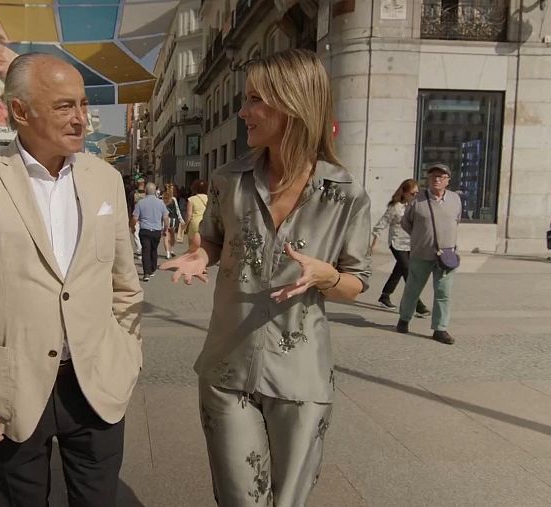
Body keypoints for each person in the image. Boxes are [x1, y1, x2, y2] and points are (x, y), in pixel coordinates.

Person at [161, 49, 371, 506]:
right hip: (226, 367)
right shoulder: (228, 180)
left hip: (301, 377)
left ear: (293, 103)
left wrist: (325, 275)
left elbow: (356, 282)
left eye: (255, 99)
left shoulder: (344, 193)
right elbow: (214, 240)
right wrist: (201, 257)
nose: (242, 112)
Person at [0, 53, 143, 507]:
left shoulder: (105, 178)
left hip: (95, 384)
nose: (81, 120)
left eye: (83, 105)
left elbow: (125, 282)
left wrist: (126, 356)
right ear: (21, 111)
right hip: (12, 384)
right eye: (64, 106)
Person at [396, 163, 462, 345]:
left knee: (443, 293)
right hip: (421, 253)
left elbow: (457, 221)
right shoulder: (418, 200)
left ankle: (440, 329)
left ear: (448, 180)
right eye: (433, 176)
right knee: (412, 289)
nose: (436, 179)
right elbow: (406, 223)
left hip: (446, 255)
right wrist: (420, 237)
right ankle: (404, 319)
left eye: (441, 176)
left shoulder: (455, 199)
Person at [371, 179, 429, 316]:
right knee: (408, 272)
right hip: (396, 243)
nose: (415, 195)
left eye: (417, 193)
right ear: (404, 192)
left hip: (410, 244)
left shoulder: (414, 206)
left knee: (399, 271)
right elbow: (382, 224)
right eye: (412, 193)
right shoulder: (395, 207)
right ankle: (418, 305)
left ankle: (385, 296)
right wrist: (374, 243)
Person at [132, 182, 170, 282]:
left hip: (144, 230)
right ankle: (153, 269)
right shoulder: (161, 203)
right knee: (154, 249)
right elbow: (166, 218)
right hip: (156, 230)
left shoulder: (140, 203)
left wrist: (132, 227)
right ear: (155, 192)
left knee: (146, 250)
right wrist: (165, 229)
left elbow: (134, 217)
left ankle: (146, 273)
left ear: (145, 191)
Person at [184, 179, 209, 253]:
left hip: (195, 223)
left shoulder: (191, 199)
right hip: (205, 223)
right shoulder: (209, 198)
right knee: (203, 246)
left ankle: (193, 260)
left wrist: (185, 226)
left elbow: (189, 214)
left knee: (192, 247)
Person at [162, 183, 184, 259]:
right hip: (173, 219)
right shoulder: (173, 199)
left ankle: (167, 252)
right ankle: (171, 249)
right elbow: (177, 210)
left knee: (165, 235)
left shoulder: (162, 198)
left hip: (164, 219)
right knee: (172, 235)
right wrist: (181, 219)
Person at [131, 178, 145, 255]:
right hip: (144, 216)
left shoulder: (133, 193)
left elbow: (131, 205)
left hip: (136, 215)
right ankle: (141, 249)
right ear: (143, 183)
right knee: (142, 233)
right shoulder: (147, 193)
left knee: (136, 234)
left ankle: (139, 249)